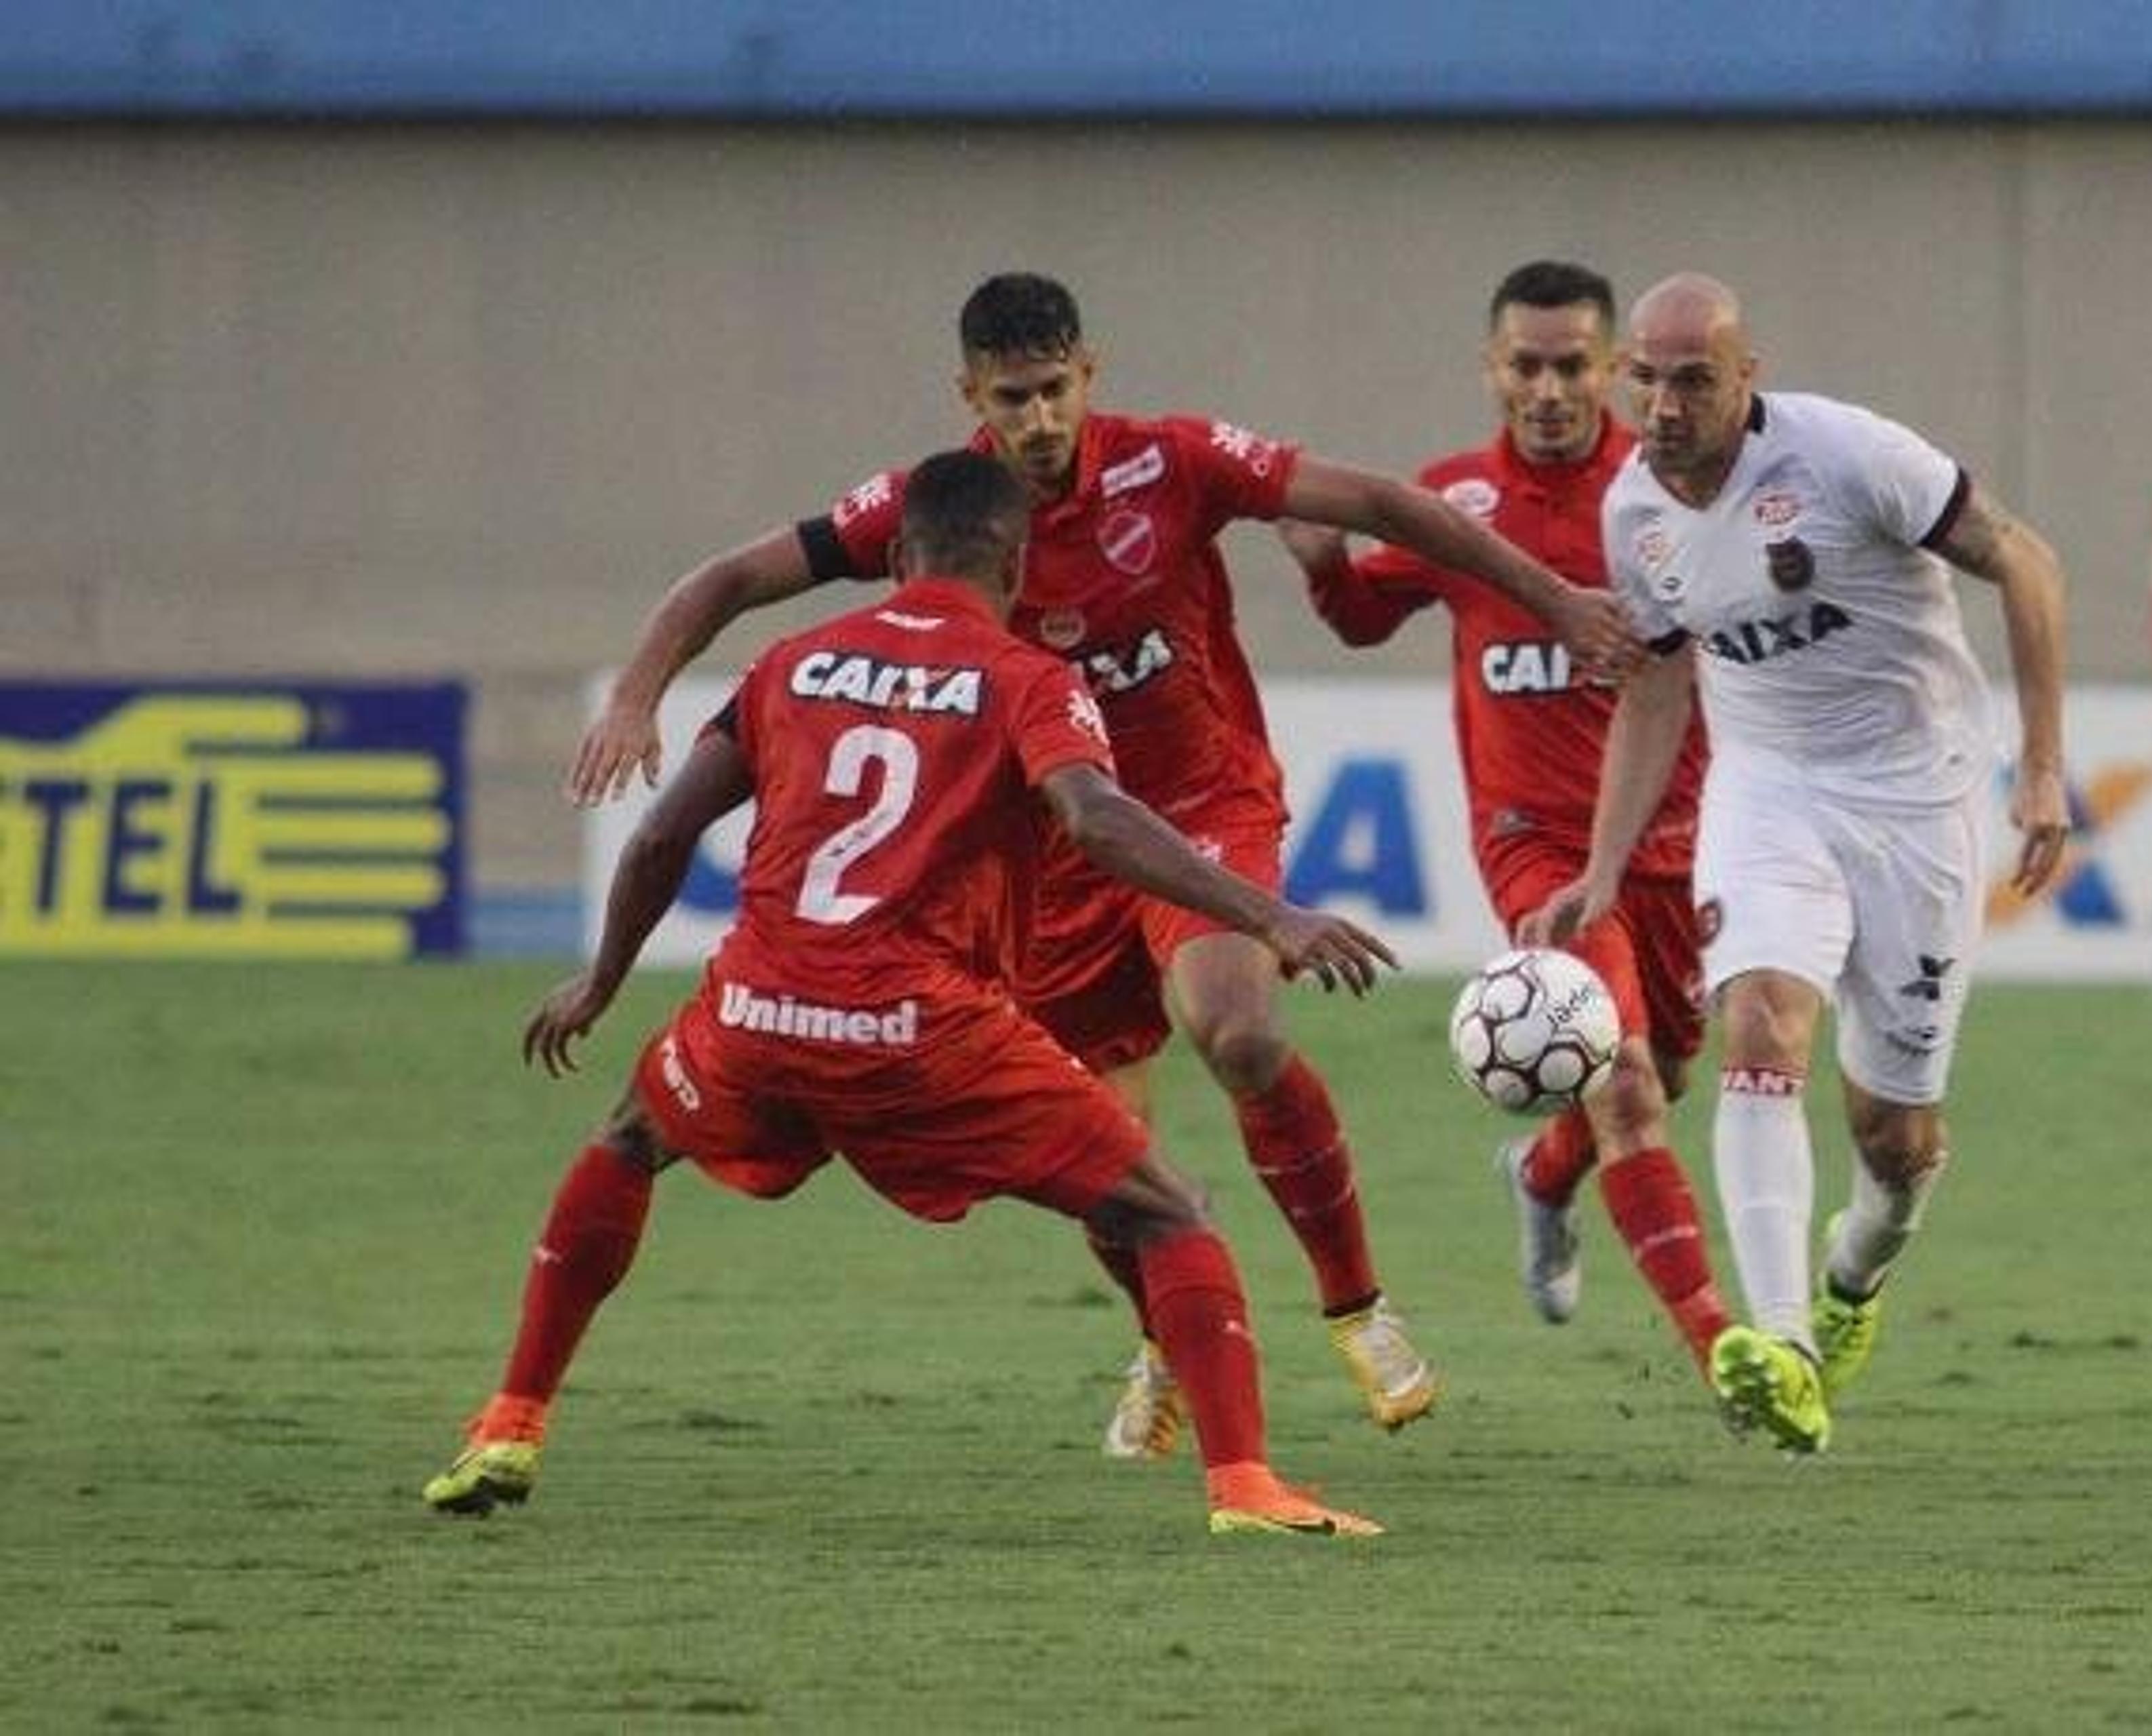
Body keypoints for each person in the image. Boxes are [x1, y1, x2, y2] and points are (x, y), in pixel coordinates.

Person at [564, 273, 1639, 1457]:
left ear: (1091, 372)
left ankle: (1357, 1305)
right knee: (1101, 1145)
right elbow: (728, 580)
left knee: (1238, 1029)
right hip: (1047, 857)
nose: (1037, 422)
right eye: (1011, 398)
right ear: (970, 393)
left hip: (1196, 806)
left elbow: (1382, 502)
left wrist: (1550, 598)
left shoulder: (1171, 464)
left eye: (1055, 392)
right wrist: (636, 693)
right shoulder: (939, 513)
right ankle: (1162, 1341)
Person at [425, 452, 1397, 1537]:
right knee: (1173, 1216)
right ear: (1020, 566)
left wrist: (601, 982)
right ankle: (1246, 1488)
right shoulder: (1030, 677)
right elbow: (1098, 820)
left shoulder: (793, 659)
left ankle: (508, 1422)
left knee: (625, 1143)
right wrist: (1272, 915)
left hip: (757, 1015)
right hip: (922, 1032)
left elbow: (661, 834)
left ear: (894, 556)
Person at [1525, 272, 2071, 1454]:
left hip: (1920, 797)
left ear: (1745, 377)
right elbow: (1663, 677)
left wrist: (2040, 765)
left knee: (1896, 1136)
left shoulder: (1848, 456)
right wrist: (1604, 867)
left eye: (1693, 381)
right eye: (1648, 380)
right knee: (1762, 1028)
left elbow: (2025, 558)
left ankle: (1856, 1276)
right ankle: (1784, 1345)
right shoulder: (1635, 513)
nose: (1663, 407)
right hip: (1768, 790)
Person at [1275, 260, 1738, 1396]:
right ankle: (1725, 1353)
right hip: (1534, 845)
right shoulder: (1454, 505)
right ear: (1492, 369)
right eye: (1524, 366)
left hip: (1679, 835)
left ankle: (1541, 1177)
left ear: (1614, 373)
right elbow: (1363, 620)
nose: (1547, 389)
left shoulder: (1666, 492)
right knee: (1624, 1081)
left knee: (1666, 1073)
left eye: (1572, 365)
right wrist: (1326, 565)